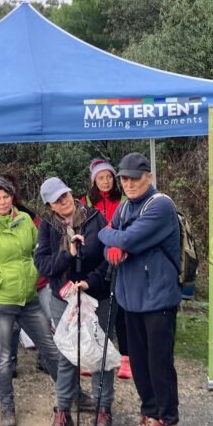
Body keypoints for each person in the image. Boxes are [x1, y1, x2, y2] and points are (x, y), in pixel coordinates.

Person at [98, 152, 182, 426]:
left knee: (160, 365)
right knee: (139, 364)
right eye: (124, 178)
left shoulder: (160, 205)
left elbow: (124, 238)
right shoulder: (123, 206)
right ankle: (149, 419)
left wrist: (112, 238)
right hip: (129, 297)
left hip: (158, 297)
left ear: (149, 177)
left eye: (135, 178)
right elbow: (111, 248)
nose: (129, 183)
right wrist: (113, 247)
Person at [0, 176, 60, 426]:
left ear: (12, 198)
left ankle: (70, 396)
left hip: (28, 299)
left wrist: (32, 274)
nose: (2, 202)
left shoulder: (25, 222)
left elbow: (37, 250)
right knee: (4, 358)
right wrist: (0, 280)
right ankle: (8, 407)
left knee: (50, 349)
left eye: (6, 197)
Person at [34, 177, 113, 426]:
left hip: (95, 295)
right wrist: (68, 254)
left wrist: (90, 282)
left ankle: (103, 409)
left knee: (99, 352)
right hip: (63, 298)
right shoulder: (47, 227)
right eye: (57, 199)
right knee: (67, 353)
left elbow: (107, 259)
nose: (64, 201)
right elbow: (44, 265)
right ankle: (64, 409)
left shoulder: (94, 219)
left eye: (65, 195)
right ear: (50, 206)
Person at [83, 158, 131, 380]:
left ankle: (126, 358)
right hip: (96, 263)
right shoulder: (85, 203)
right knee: (94, 310)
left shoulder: (125, 200)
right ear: (94, 181)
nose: (105, 181)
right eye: (101, 178)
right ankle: (91, 354)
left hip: (122, 259)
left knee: (121, 308)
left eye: (109, 177)